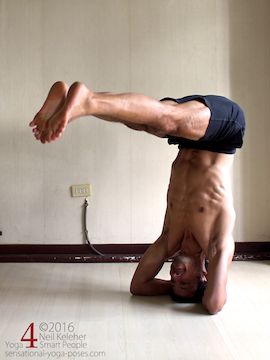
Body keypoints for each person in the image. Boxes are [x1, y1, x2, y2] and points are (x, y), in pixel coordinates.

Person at [29, 81, 245, 314]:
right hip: (225, 133)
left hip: (189, 138)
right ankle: (86, 100)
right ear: (204, 275)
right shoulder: (216, 243)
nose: (175, 277)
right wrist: (203, 286)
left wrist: (170, 290)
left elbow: (138, 286)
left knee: (153, 125)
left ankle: (72, 103)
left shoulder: (168, 240)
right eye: (184, 282)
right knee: (167, 120)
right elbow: (213, 304)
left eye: (173, 281)